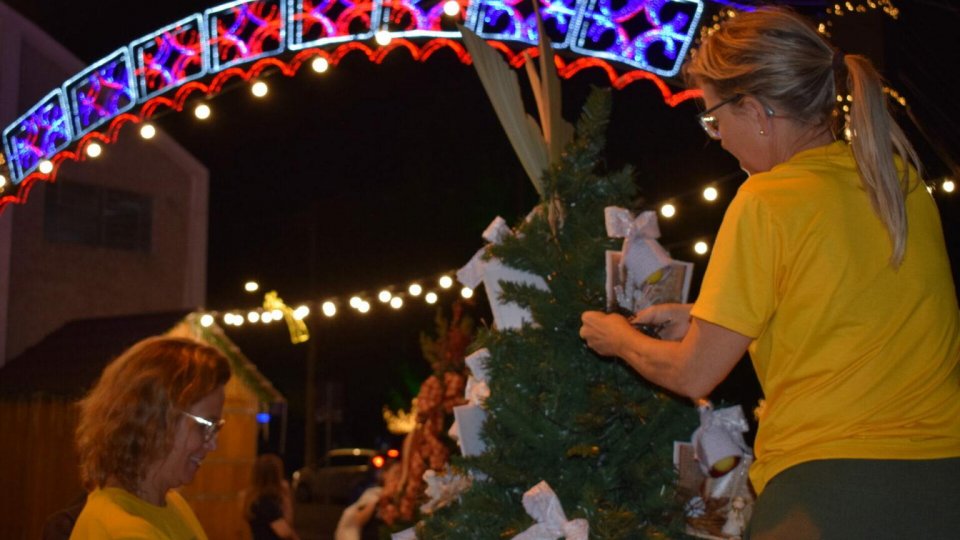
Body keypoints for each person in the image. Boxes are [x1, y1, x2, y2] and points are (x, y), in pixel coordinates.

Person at [580, 6, 960, 539]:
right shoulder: (896, 180)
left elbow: (694, 375)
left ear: (756, 112)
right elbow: (847, 306)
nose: (718, 137)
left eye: (714, 119)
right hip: (944, 486)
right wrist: (699, 317)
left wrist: (619, 339)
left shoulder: (766, 199)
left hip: (833, 492)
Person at [69, 336, 231, 539]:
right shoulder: (124, 530)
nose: (213, 444)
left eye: (216, 428)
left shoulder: (170, 503)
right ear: (154, 420)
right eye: (204, 426)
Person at [242, 453, 300, 540]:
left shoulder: (253, 499)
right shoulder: (267, 504)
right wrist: (286, 496)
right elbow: (285, 533)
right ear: (276, 475)